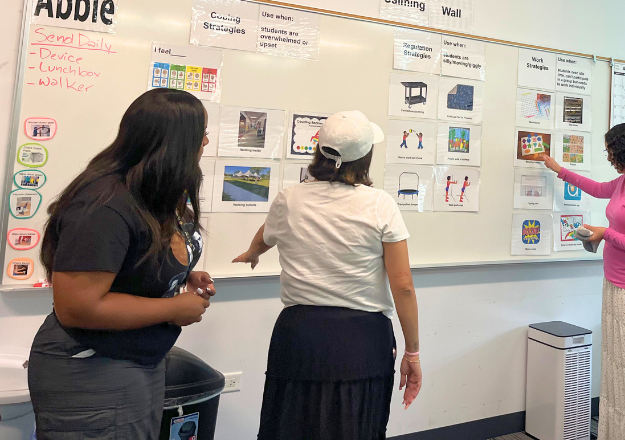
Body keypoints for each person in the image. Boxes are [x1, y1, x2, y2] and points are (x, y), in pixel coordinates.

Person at [28, 88, 217, 440]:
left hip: (136, 361)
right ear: (176, 141)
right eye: (201, 133)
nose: (205, 142)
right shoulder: (105, 204)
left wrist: (179, 274)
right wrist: (173, 308)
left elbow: (133, 256)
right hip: (90, 364)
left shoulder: (149, 192)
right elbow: (78, 307)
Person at [234, 110, 422, 440]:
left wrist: (253, 252)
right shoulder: (380, 204)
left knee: (290, 427)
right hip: (362, 340)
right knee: (356, 427)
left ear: (319, 150)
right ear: (366, 157)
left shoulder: (290, 199)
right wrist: (413, 353)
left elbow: (267, 234)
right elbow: (402, 284)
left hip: (299, 337)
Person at [537, 123, 625, 440]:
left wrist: (607, 234)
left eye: (611, 151)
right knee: (621, 370)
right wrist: (558, 169)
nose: (609, 157)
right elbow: (598, 188)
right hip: (617, 286)